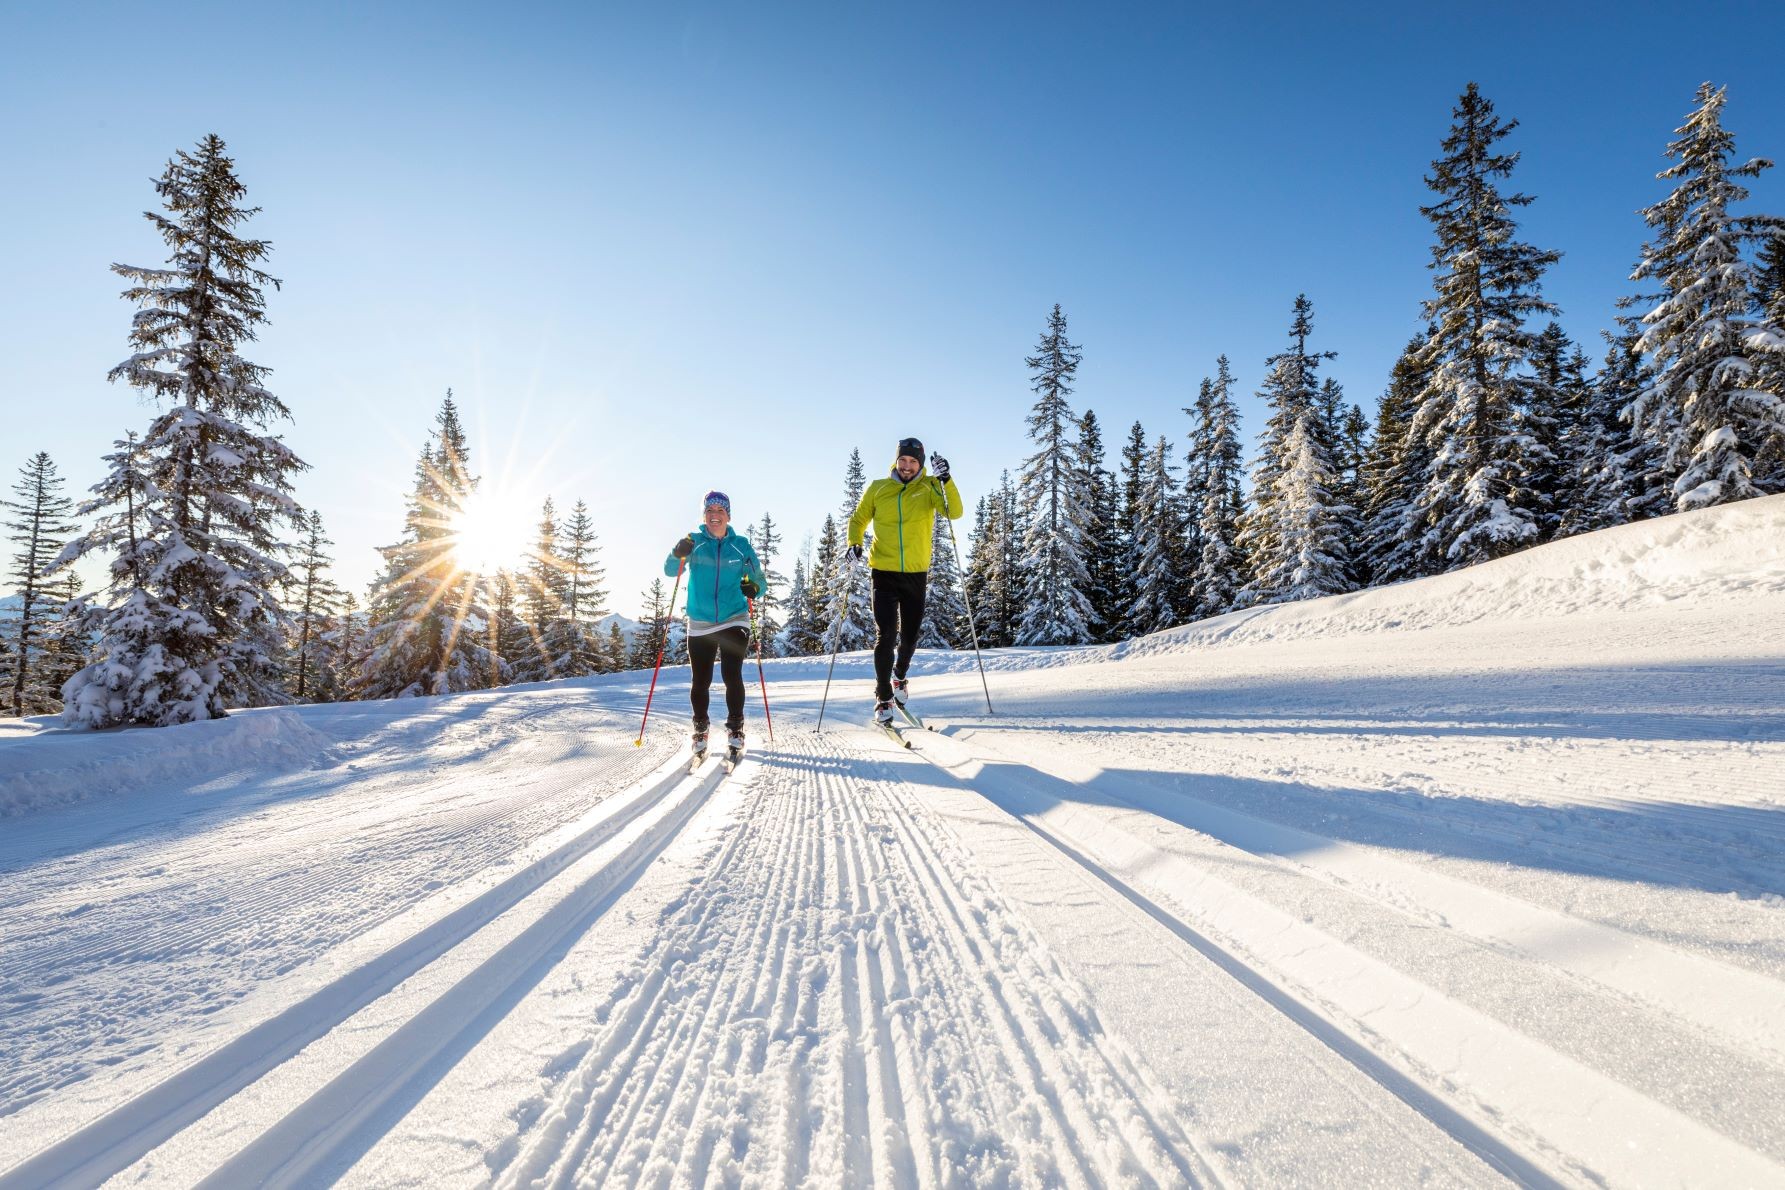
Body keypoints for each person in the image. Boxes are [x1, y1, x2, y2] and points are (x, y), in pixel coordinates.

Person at [846, 438, 963, 725]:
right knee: (885, 635)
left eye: (912, 461)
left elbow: (954, 512)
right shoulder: (878, 488)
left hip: (915, 573)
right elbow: (858, 519)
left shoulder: (931, 487)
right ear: (896, 461)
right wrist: (854, 542)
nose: (907, 466)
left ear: (920, 463)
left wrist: (946, 480)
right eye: (903, 461)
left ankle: (899, 677)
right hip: (883, 572)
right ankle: (883, 695)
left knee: (910, 636)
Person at [664, 490, 767, 757]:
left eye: (720, 511)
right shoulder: (694, 541)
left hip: (735, 617)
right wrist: (678, 553)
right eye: (710, 511)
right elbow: (669, 569)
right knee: (701, 680)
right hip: (700, 620)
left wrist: (753, 587)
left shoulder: (740, 545)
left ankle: (735, 728)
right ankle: (700, 729)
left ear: (728, 515)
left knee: (731, 674)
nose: (715, 516)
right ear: (704, 515)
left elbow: (758, 580)